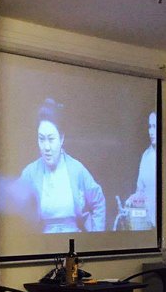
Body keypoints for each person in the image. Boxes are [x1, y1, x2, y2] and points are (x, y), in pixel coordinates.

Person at [19, 98, 106, 233]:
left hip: (74, 241)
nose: (46, 147)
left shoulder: (77, 170)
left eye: (51, 139)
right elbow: (17, 210)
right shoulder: (30, 173)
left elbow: (98, 201)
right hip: (42, 243)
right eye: (41, 139)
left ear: (61, 138)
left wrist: (96, 236)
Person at [134, 111, 157, 228]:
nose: (151, 132)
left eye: (155, 126)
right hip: (148, 224)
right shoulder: (145, 156)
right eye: (149, 127)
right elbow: (140, 190)